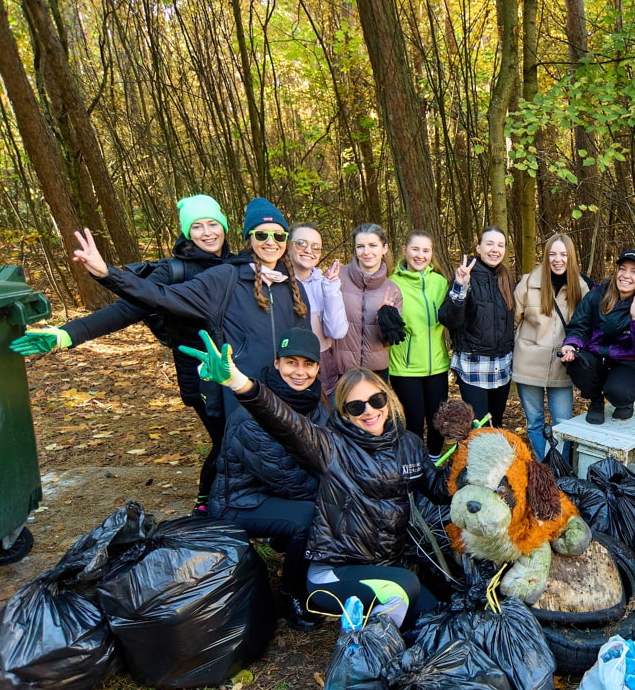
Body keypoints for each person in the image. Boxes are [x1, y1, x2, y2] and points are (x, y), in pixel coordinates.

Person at [181, 331, 450, 629]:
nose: (370, 410)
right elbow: (286, 431)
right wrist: (238, 383)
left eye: (376, 400)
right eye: (356, 406)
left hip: (372, 554)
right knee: (309, 517)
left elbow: (438, 487)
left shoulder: (404, 441)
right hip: (248, 501)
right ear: (344, 414)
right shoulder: (307, 436)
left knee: (437, 617)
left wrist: (469, 459)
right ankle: (294, 596)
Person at [11, 194, 236, 513]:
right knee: (227, 441)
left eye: (213, 223)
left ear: (225, 226)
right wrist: (67, 334)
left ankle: (235, 501)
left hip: (237, 372)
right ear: (186, 232)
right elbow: (123, 311)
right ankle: (205, 505)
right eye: (196, 226)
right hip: (201, 381)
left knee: (242, 439)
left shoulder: (237, 266)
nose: (207, 232)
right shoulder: (170, 272)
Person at [74, 196, 310, 422]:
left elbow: (301, 339)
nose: (207, 232)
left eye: (278, 235)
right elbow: (151, 299)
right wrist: (106, 274)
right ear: (250, 239)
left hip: (270, 385)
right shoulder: (209, 274)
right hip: (217, 382)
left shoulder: (278, 281)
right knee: (230, 451)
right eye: (261, 235)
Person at [208, 328, 331, 630]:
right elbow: (287, 481)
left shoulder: (315, 401)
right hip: (239, 502)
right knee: (310, 516)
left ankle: (289, 543)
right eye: (291, 363)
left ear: (317, 367)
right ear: (276, 363)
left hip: (274, 494)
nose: (299, 372)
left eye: (308, 364)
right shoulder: (253, 414)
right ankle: (291, 595)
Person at [560, 250, 635, 424]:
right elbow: (579, 327)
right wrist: (571, 344)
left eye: (634, 272)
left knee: (618, 392)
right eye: (623, 269)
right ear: (616, 271)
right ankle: (596, 401)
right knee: (575, 361)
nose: (626, 276)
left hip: (627, 362)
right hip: (596, 357)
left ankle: (624, 401)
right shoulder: (595, 296)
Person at [512, 233, 590, 459]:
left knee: (563, 424)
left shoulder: (580, 287)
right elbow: (514, 320)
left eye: (563, 254)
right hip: (528, 363)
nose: (558, 259)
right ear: (546, 256)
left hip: (562, 364)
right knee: (535, 421)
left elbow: (586, 326)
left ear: (571, 257)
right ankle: (543, 468)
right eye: (553, 254)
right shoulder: (529, 282)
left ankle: (560, 471)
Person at [439, 226, 516, 427]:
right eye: (489, 244)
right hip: (474, 363)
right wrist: (460, 286)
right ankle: (471, 458)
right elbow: (449, 319)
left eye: (500, 245)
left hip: (502, 363)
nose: (495, 249)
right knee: (479, 426)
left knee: (496, 423)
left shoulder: (506, 276)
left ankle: (496, 459)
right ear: (479, 247)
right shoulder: (467, 275)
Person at [388, 230, 451, 457]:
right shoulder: (392, 283)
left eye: (426, 250)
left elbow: (452, 316)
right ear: (404, 250)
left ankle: (433, 461)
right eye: (415, 249)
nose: (420, 255)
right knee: (413, 422)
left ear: (432, 254)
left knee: (438, 421)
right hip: (405, 368)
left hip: (437, 365)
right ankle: (414, 466)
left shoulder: (440, 282)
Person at [326, 223, 404, 390]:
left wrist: (385, 319)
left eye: (373, 245)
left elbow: (388, 341)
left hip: (376, 372)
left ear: (384, 248)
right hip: (341, 371)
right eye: (360, 246)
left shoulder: (392, 289)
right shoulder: (337, 276)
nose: (366, 252)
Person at [285, 223, 347, 388]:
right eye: (301, 243)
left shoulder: (324, 282)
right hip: (290, 366)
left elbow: (336, 331)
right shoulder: (276, 282)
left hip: (324, 362)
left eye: (316, 247)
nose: (308, 250)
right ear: (288, 246)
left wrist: (331, 288)